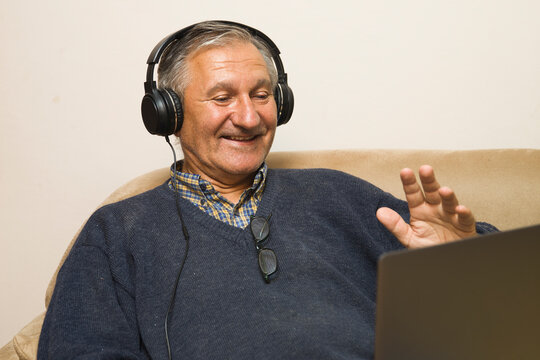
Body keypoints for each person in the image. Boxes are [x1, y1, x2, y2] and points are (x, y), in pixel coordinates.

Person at [37, 21, 496, 359]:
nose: (251, 117)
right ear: (169, 114)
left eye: (261, 95)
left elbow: (509, 291)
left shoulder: (337, 194)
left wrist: (463, 259)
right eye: (222, 98)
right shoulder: (117, 231)